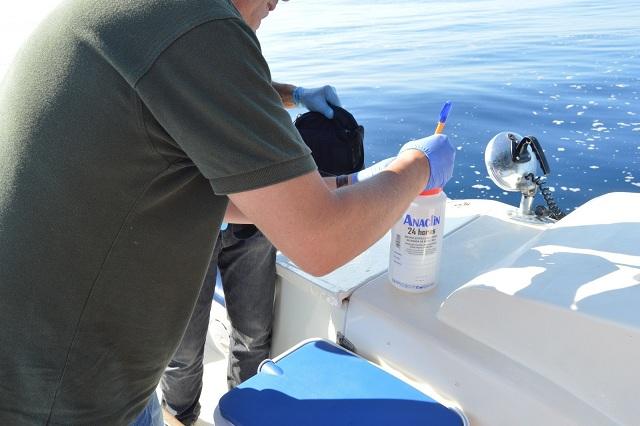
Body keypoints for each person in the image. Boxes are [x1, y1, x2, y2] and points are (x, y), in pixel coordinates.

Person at [0, 0, 455, 425]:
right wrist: (417, 166)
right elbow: (321, 241)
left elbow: (209, 175)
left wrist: (302, 114)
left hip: (57, 377)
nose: (282, 1)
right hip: (61, 402)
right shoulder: (200, 24)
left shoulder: (139, 16)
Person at [160, 85, 343, 426]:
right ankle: (179, 418)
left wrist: (298, 95)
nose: (262, 26)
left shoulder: (236, 37)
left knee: (254, 333)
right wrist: (345, 187)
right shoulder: (172, 44)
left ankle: (243, 415)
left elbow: (248, 84)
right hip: (189, 225)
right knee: (182, 351)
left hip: (252, 220)